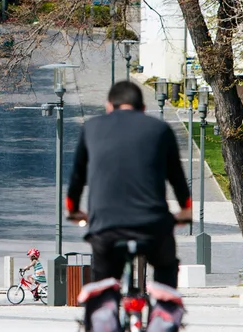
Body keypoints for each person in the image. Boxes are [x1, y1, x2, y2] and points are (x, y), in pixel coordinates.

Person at [66, 80, 192, 332]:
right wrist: (185, 212)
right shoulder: (159, 129)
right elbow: (177, 178)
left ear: (108, 106)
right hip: (153, 227)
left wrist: (74, 211)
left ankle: (104, 310)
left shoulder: (92, 128)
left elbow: (77, 178)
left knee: (103, 276)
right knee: (166, 265)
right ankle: (164, 314)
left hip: (106, 228)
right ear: (143, 108)